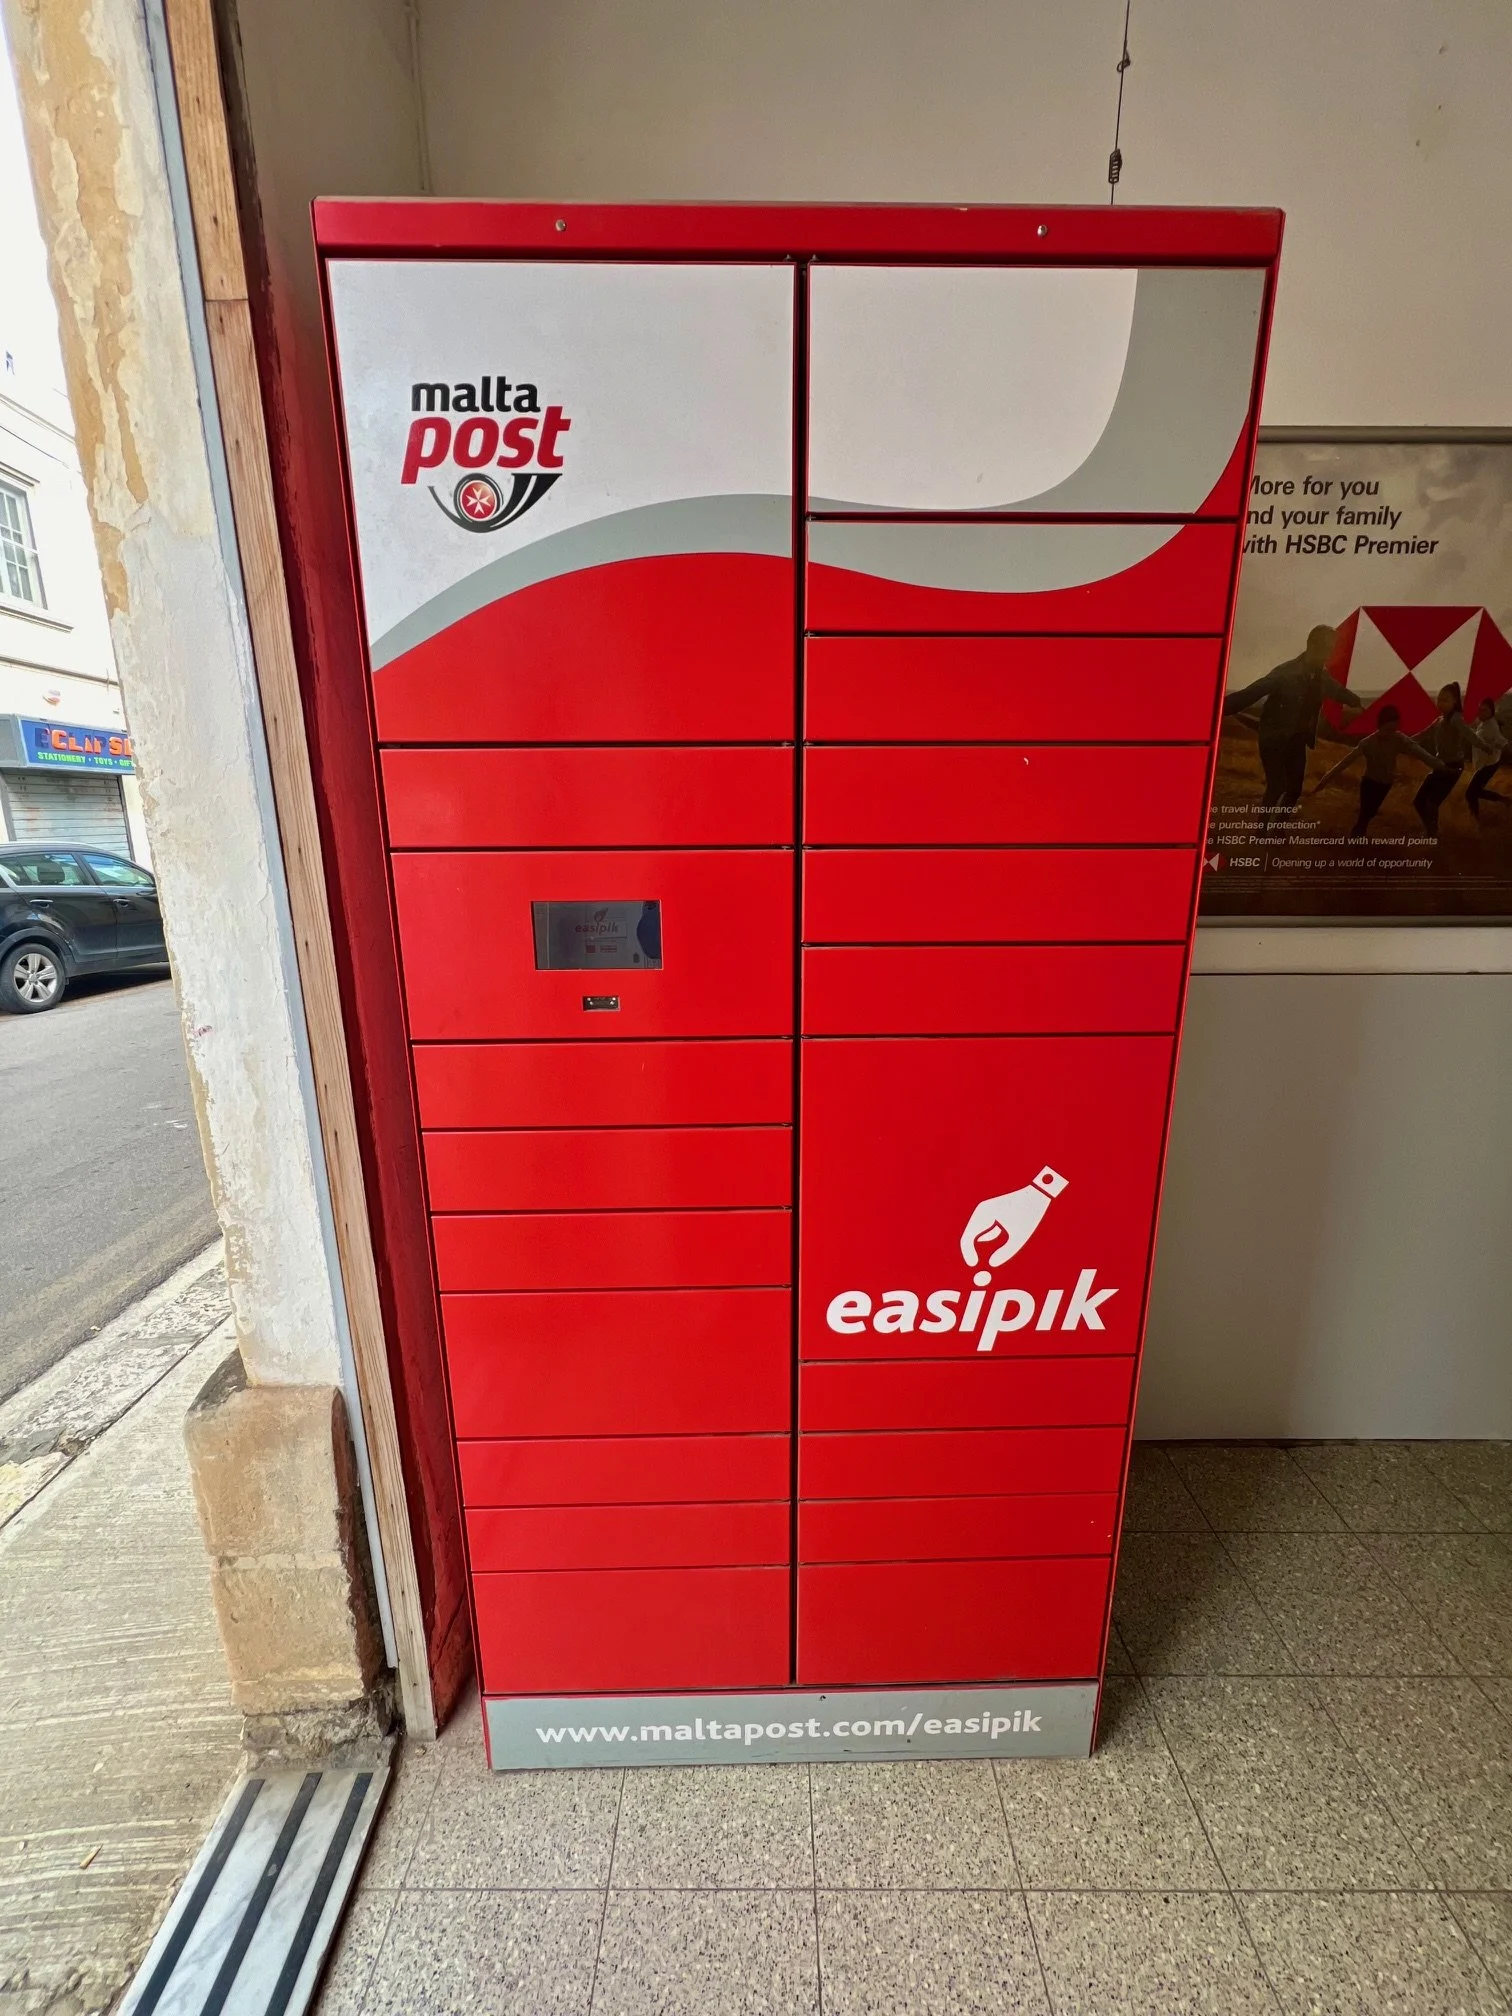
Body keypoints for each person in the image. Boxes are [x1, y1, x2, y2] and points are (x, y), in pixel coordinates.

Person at [1223, 625, 1362, 806]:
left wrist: (1354, 700)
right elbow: (1254, 691)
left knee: (1295, 789)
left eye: (1331, 648)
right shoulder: (1286, 673)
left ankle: (1279, 828)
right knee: (1277, 786)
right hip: (1274, 737)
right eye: (1324, 647)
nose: (1328, 652)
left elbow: (1337, 690)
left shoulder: (1322, 676)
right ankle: (1261, 832)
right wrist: (1220, 708)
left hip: (1297, 739)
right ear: (1311, 645)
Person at [1305, 704, 1443, 836]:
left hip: (1385, 785)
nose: (1391, 733)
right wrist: (1322, 783)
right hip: (1369, 783)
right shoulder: (1367, 743)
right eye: (1389, 729)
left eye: (1394, 729)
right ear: (1380, 725)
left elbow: (1420, 753)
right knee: (1365, 815)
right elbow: (1344, 763)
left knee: (1370, 813)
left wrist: (1440, 766)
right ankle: (1357, 840)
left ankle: (1359, 836)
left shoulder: (1399, 739)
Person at [1412, 682, 1477, 836]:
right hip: (1439, 766)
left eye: (1445, 700)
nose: (1440, 703)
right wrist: (1402, 742)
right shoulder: (1439, 720)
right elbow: (1422, 734)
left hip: (1453, 768)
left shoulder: (1456, 720)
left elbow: (1470, 735)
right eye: (1439, 699)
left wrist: (1487, 746)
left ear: (1455, 702)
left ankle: (1432, 835)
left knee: (1432, 803)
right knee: (1419, 801)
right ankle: (1430, 831)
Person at [1464, 697, 1508, 817]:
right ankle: (1505, 800)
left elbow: (1501, 741)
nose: (1480, 712)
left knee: (1470, 793)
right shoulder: (1485, 723)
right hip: (1485, 763)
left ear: (1491, 711)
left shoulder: (1491, 727)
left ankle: (1475, 820)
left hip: (1489, 765)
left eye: (1484, 710)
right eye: (1480, 710)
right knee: (1476, 791)